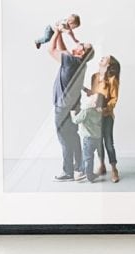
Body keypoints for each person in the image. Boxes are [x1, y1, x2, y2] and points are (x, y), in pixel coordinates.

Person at [48, 27, 95, 181]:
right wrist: (60, 32)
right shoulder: (80, 63)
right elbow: (63, 50)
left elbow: (52, 49)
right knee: (73, 136)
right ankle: (79, 169)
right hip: (73, 105)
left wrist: (55, 32)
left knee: (64, 139)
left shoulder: (70, 61)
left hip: (62, 107)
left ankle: (68, 172)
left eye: (82, 45)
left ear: (81, 53)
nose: (79, 43)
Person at [89, 55, 121, 183]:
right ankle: (102, 166)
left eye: (105, 58)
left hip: (107, 116)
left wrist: (105, 109)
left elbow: (114, 99)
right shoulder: (94, 77)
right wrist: (90, 95)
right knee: (98, 142)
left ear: (109, 65)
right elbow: (94, 95)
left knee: (108, 142)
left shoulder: (113, 80)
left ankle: (114, 169)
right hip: (95, 116)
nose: (101, 58)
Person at [73, 92, 107, 182]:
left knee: (88, 157)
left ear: (94, 102)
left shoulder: (87, 111)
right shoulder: (101, 112)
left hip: (88, 139)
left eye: (92, 97)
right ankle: (86, 171)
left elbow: (76, 120)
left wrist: (72, 114)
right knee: (94, 155)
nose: (90, 97)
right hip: (98, 138)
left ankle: (88, 174)